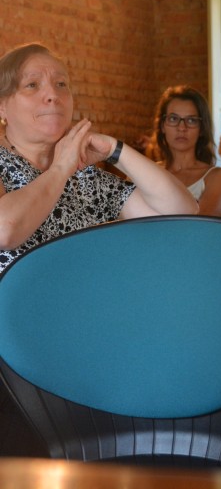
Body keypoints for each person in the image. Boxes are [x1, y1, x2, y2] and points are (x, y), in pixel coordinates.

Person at [0, 42, 198, 455]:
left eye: (61, 84)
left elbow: (181, 209)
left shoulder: (86, 178)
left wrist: (115, 151)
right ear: (2, 108)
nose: (51, 94)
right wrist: (58, 168)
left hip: (88, 341)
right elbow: (6, 228)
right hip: (13, 348)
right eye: (32, 85)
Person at [149, 85, 221, 215]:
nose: (182, 127)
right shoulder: (143, 173)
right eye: (173, 119)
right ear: (162, 125)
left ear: (202, 129)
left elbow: (202, 226)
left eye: (191, 120)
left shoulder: (218, 176)